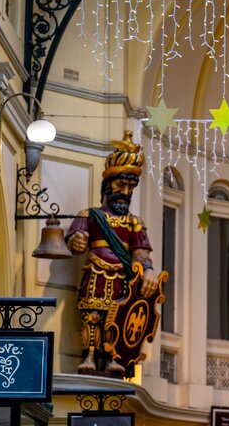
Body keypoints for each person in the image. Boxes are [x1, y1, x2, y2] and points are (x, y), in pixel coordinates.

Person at [65, 131, 160, 374]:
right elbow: (74, 240)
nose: (126, 192)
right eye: (121, 185)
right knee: (92, 316)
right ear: (108, 185)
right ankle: (89, 355)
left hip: (122, 278)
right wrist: (76, 241)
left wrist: (148, 271)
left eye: (131, 187)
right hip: (95, 271)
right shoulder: (89, 214)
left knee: (115, 319)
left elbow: (141, 253)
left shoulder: (134, 222)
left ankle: (112, 357)